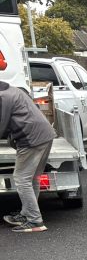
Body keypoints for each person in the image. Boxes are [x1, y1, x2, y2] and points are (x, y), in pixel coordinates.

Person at [0, 81, 57, 233]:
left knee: (21, 178)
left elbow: (1, 125)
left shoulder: (2, 97)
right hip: (45, 134)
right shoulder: (13, 90)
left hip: (31, 138)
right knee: (32, 178)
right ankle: (27, 213)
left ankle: (34, 220)